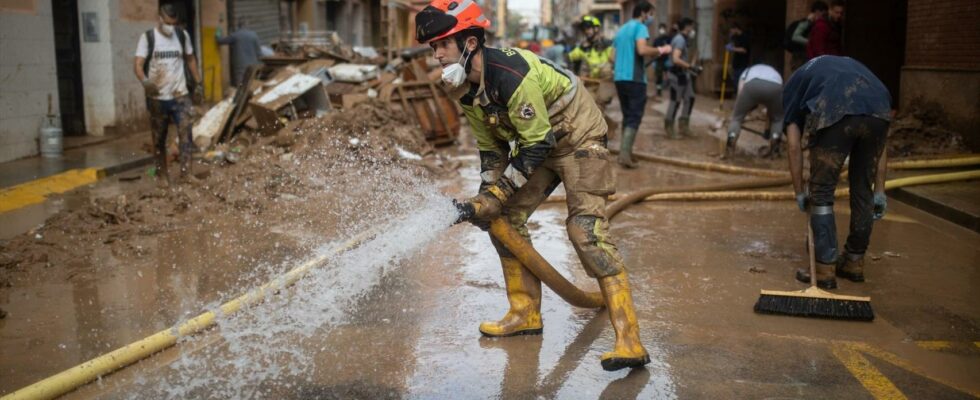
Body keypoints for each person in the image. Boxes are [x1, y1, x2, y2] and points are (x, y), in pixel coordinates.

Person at [415, 0, 651, 371]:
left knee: (585, 230)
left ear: (471, 43)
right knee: (502, 220)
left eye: (443, 44)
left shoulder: (511, 74)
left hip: (579, 138)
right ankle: (524, 312)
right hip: (539, 140)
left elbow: (537, 143)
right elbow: (491, 149)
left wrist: (497, 192)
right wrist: (487, 196)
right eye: (433, 47)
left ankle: (630, 339)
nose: (436, 55)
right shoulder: (464, 89)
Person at [783, 56, 891, 289]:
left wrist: (800, 191)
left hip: (836, 108)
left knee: (821, 192)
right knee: (863, 190)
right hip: (879, 110)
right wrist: (879, 190)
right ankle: (854, 261)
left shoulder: (794, 85)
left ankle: (824, 268)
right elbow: (882, 146)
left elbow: (793, 145)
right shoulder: (854, 69)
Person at [134, 4, 202, 186]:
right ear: (159, 18)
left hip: (180, 95)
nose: (170, 27)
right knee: (159, 138)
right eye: (167, 23)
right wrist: (145, 82)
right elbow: (138, 65)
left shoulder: (181, 35)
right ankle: (162, 175)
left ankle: (186, 174)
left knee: (186, 134)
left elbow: (190, 58)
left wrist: (198, 81)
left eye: (174, 23)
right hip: (157, 98)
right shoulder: (147, 38)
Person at [611, 1, 672, 168]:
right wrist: (661, 50)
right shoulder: (640, 27)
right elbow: (642, 50)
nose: (651, 17)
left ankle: (626, 152)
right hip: (635, 79)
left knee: (627, 115)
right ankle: (624, 155)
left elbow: (612, 57)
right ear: (644, 13)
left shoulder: (622, 29)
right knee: (634, 117)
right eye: (650, 14)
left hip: (619, 78)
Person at [568, 16, 616, 134]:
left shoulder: (607, 44)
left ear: (596, 29)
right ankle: (608, 127)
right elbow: (571, 56)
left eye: (588, 28)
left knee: (598, 106)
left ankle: (598, 136)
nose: (586, 31)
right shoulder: (584, 47)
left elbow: (614, 59)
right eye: (584, 29)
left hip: (605, 81)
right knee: (586, 107)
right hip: (591, 81)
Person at [724, 64, 784, 158]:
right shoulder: (775, 73)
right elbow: (770, 110)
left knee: (737, 118)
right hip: (775, 86)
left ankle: (730, 147)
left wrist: (742, 112)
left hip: (752, 84)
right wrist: (767, 130)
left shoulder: (746, 72)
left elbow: (740, 93)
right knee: (777, 119)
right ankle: (775, 147)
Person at [665, 17, 699, 139]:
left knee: (690, 98)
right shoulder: (679, 40)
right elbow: (675, 59)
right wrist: (691, 67)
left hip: (685, 75)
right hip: (677, 76)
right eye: (691, 26)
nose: (692, 29)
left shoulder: (684, 39)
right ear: (687, 27)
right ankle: (669, 128)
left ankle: (684, 126)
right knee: (675, 101)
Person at [216, 18, 262, 87]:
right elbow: (259, 52)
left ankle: (242, 96)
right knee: (252, 84)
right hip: (253, 64)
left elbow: (220, 41)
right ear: (247, 25)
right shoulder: (254, 35)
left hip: (240, 66)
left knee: (241, 85)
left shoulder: (235, 35)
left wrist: (218, 33)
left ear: (238, 26)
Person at [785, 1, 828, 70]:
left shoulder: (815, 24)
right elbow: (795, 37)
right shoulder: (807, 22)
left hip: (803, 57)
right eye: (823, 15)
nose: (824, 18)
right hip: (799, 58)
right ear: (817, 12)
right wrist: (811, 42)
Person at [725, 23, 750, 94]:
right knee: (735, 83)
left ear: (736, 28)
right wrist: (730, 39)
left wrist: (732, 49)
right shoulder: (735, 37)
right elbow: (733, 45)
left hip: (742, 64)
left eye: (732, 30)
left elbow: (744, 50)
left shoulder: (745, 37)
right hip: (736, 64)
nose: (731, 32)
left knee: (741, 83)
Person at [652, 23, 674, 98]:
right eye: (661, 29)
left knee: (670, 74)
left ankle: (671, 90)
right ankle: (659, 91)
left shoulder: (669, 39)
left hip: (668, 59)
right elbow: (653, 49)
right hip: (659, 60)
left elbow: (672, 48)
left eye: (663, 29)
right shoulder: (657, 39)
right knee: (659, 76)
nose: (662, 30)